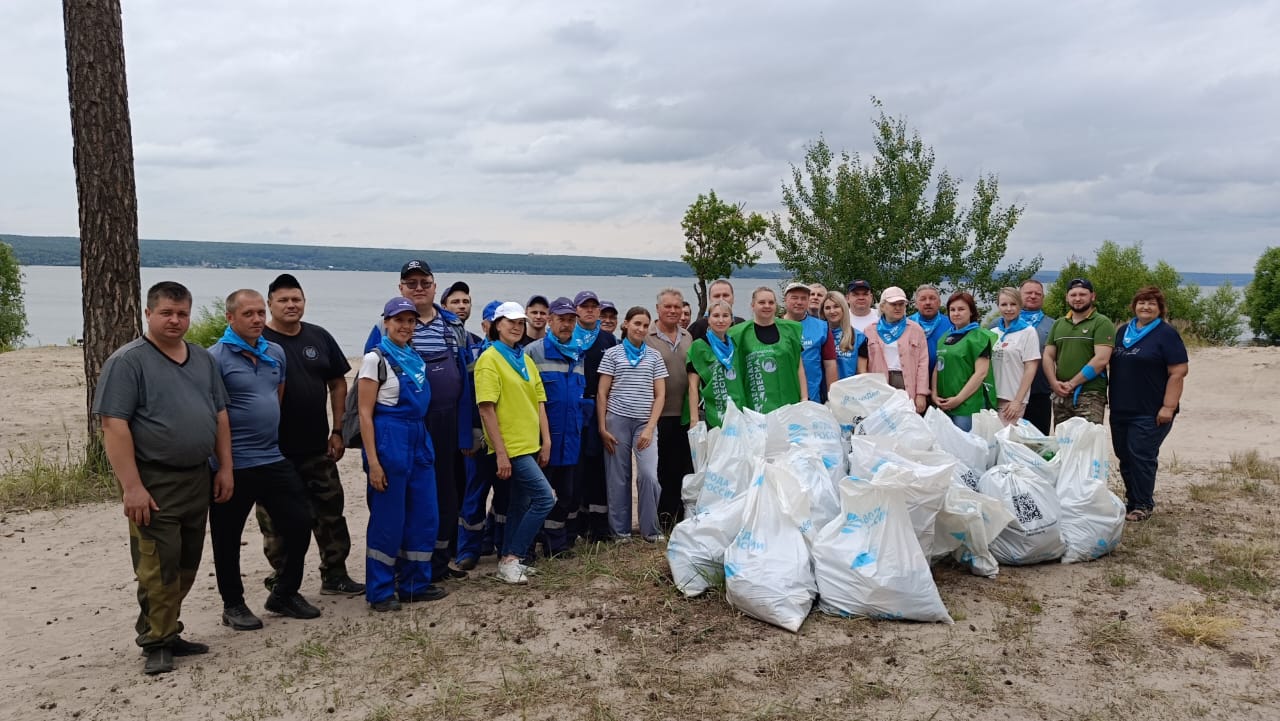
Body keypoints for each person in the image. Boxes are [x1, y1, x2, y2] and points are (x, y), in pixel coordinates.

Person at [93, 281, 233, 675]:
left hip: (196, 478)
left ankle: (169, 630)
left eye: (182, 313)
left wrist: (225, 467)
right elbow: (113, 425)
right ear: (148, 314)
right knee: (158, 565)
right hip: (153, 481)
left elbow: (220, 415)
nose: (175, 320)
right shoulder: (129, 362)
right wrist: (132, 487)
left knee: (187, 561)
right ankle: (155, 642)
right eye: (167, 313)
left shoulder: (203, 359)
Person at [208, 289, 319, 631]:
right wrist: (223, 466)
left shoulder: (276, 352)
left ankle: (284, 592)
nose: (257, 320)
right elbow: (214, 413)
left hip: (272, 457)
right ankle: (233, 604)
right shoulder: (214, 358)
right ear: (231, 318)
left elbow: (277, 397)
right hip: (233, 464)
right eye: (248, 314)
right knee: (227, 538)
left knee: (300, 523)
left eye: (259, 313)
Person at [257, 274, 363, 597]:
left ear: (304, 302)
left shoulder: (319, 337)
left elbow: (338, 382)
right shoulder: (258, 339)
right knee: (277, 521)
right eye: (283, 300)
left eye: (296, 299)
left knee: (330, 512)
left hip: (318, 445)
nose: (291, 305)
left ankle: (335, 573)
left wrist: (338, 430)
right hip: (272, 451)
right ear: (269, 303)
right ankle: (284, 580)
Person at [357, 298, 447, 611]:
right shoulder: (374, 359)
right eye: (399, 320)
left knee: (424, 516)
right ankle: (380, 591)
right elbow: (365, 414)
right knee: (388, 520)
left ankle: (414, 584)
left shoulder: (415, 358)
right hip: (389, 437)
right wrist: (374, 463)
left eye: (410, 321)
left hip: (419, 437)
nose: (405, 326)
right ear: (386, 322)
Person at [392, 260, 473, 583]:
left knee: (448, 494)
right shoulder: (389, 327)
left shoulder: (453, 327)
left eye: (424, 282)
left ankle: (440, 562)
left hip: (449, 422)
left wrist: (469, 432)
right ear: (401, 288)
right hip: (409, 424)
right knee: (413, 495)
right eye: (411, 283)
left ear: (435, 286)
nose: (418, 288)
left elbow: (466, 382)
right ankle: (410, 566)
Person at [474, 302, 555, 583]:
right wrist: (500, 454)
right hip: (511, 447)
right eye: (510, 322)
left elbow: (540, 402)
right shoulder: (489, 358)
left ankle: (507, 560)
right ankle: (513, 557)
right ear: (497, 325)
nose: (517, 327)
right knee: (546, 498)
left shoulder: (524, 358)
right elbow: (486, 408)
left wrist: (546, 442)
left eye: (520, 322)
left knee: (520, 504)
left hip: (530, 444)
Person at [1108, 286, 1189, 522]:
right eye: (1142, 302)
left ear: (1160, 309)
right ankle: (1132, 500)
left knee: (1141, 455)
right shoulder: (1123, 331)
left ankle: (1143, 504)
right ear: (1134, 306)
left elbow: (1178, 372)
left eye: (1152, 303)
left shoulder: (1166, 334)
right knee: (1124, 455)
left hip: (1151, 410)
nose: (1146, 307)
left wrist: (1168, 406)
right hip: (1121, 407)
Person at [598, 307, 669, 542]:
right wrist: (602, 427)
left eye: (645, 325)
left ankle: (650, 529)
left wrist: (650, 427)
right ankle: (621, 532)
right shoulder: (612, 354)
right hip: (616, 419)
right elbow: (602, 393)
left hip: (644, 423)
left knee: (649, 475)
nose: (641, 328)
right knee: (619, 477)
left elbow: (660, 395)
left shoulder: (654, 356)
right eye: (637, 323)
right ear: (626, 324)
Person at [525, 297, 588, 557]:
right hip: (542, 438)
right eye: (561, 319)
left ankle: (555, 545)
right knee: (535, 496)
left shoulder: (578, 354)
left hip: (570, 438)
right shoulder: (533, 352)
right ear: (549, 321)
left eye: (571, 320)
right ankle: (525, 547)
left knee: (565, 494)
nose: (566, 324)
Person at [572, 290, 619, 543]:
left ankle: (600, 526)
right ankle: (577, 523)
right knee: (576, 467)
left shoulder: (608, 340)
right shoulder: (568, 337)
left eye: (594, 306)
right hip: (576, 409)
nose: (590, 310)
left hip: (601, 407)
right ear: (576, 310)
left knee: (599, 467)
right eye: (584, 306)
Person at [645, 288, 693, 530]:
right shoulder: (646, 336)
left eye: (677, 307)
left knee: (680, 469)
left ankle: (675, 519)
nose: (673, 311)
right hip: (657, 415)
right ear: (658, 309)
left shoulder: (687, 337)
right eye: (668, 307)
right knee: (659, 470)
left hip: (683, 414)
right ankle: (659, 520)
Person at [1043, 278, 1114, 425]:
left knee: (1087, 443)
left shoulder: (1101, 322)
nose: (1077, 298)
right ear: (1067, 297)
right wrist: (1054, 383)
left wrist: (1072, 383)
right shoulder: (1059, 324)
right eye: (1073, 295)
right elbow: (1048, 355)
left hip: (1090, 394)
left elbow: (1101, 359)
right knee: (1064, 443)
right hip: (1060, 393)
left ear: (1092, 296)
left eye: (1082, 294)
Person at [729, 287, 806, 413]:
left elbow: (799, 367)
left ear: (776, 306)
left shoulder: (791, 330)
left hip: (789, 402)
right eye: (762, 302)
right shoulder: (738, 334)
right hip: (756, 405)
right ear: (753, 305)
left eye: (771, 302)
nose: (767, 306)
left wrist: (804, 398)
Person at [932, 291, 997, 431]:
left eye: (961, 309)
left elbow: (981, 373)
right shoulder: (944, 338)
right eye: (952, 310)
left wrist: (958, 400)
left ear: (971, 312)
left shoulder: (979, 337)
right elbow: (938, 367)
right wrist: (934, 394)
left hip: (967, 406)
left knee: (966, 449)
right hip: (945, 404)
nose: (956, 313)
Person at [866, 286, 930, 414]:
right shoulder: (870, 331)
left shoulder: (916, 329)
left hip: (907, 384)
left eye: (901, 304)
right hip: (880, 386)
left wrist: (921, 394)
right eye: (893, 304)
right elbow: (864, 364)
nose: (898, 307)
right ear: (883, 307)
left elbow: (923, 364)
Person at [686, 299, 749, 428]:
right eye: (716, 316)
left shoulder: (736, 345)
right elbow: (693, 387)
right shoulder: (699, 346)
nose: (720, 320)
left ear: (731, 320)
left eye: (725, 316)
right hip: (712, 413)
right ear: (708, 319)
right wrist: (694, 419)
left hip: (738, 411)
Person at [990, 287, 1042, 426]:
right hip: (991, 398)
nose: (1008, 309)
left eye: (1013, 304)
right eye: (1004, 304)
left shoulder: (1028, 332)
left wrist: (1017, 401)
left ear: (1020, 305)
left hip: (1012, 399)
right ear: (998, 306)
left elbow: (1030, 368)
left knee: (1006, 442)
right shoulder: (993, 332)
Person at [782, 282, 838, 402]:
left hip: (812, 397)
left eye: (803, 298)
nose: (799, 302)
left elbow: (830, 364)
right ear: (785, 300)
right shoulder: (774, 326)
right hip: (782, 396)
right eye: (794, 298)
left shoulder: (822, 327)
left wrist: (833, 398)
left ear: (808, 301)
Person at [1019, 279, 1056, 434]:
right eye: (1028, 293)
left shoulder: (1054, 325)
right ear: (1019, 295)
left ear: (1043, 298)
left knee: (1039, 443)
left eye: (1037, 294)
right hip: (1008, 393)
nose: (1033, 296)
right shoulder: (999, 324)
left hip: (1040, 393)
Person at [820, 292, 868, 379]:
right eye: (827, 308)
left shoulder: (859, 337)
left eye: (836, 306)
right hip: (823, 391)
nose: (832, 311)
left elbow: (861, 372)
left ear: (843, 308)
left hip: (849, 390)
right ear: (823, 312)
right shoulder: (818, 336)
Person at [909, 285, 953, 378]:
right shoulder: (906, 324)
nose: (928, 302)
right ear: (916, 304)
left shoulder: (951, 324)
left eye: (932, 298)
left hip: (944, 377)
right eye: (923, 299)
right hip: (914, 379)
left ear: (939, 302)